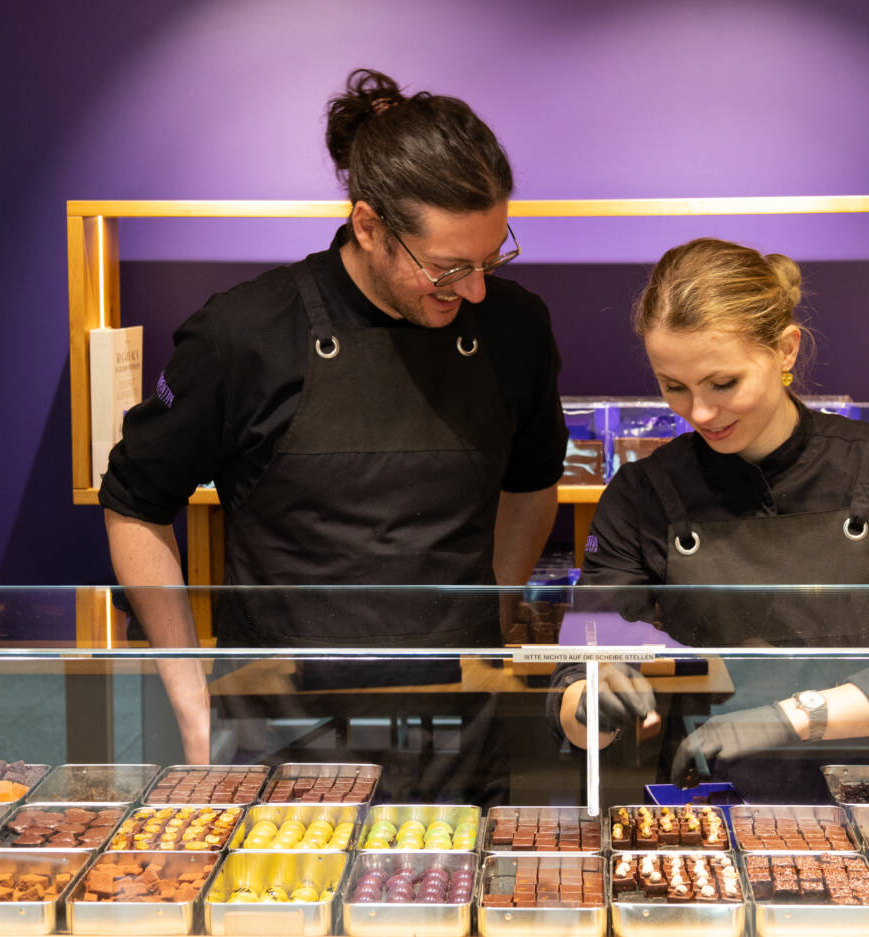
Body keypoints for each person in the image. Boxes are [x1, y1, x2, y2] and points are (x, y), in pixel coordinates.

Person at [100, 69, 567, 784]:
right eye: (447, 269)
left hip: (456, 735)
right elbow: (135, 504)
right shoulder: (243, 333)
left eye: (490, 258)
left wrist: (489, 615)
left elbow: (533, 483)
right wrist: (193, 704)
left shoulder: (514, 327)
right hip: (283, 737)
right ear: (369, 226)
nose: (474, 289)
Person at [552, 237, 869, 798]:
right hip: (710, 795)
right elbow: (581, 663)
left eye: (724, 384)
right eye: (673, 387)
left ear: (786, 349)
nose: (699, 412)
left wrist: (787, 718)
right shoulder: (642, 492)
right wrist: (593, 702)